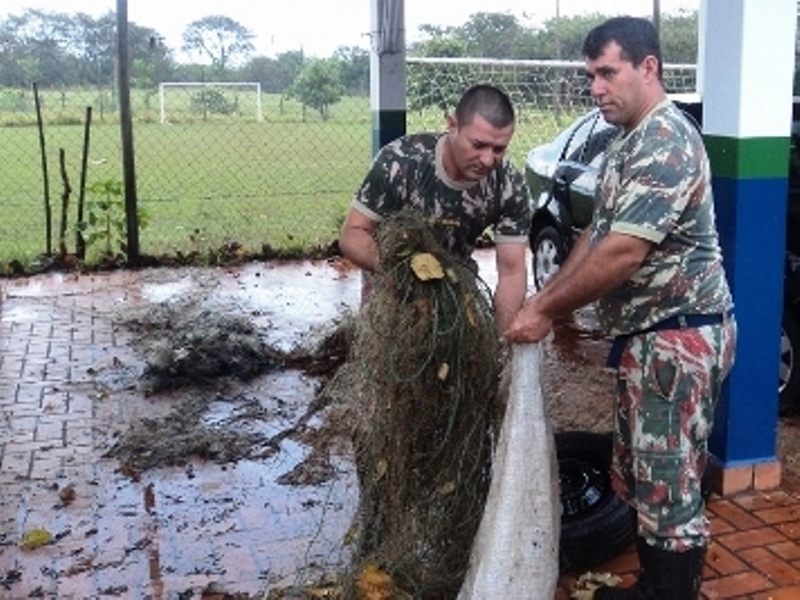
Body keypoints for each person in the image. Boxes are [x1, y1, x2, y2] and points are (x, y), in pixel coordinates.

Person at [506, 16, 736, 600]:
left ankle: (669, 595)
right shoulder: (625, 144)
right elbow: (594, 237)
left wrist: (541, 309)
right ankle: (652, 589)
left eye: (608, 73)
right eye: (591, 76)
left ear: (648, 68)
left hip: (680, 339)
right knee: (645, 474)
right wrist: (553, 304)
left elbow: (625, 253)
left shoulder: (666, 139)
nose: (596, 88)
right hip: (649, 340)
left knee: (668, 488)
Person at [338, 83, 531, 333]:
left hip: (455, 282)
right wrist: (402, 273)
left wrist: (501, 341)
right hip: (390, 278)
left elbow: (512, 272)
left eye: (499, 149)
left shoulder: (509, 185)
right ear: (452, 125)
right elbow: (352, 234)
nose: (487, 160)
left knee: (460, 352)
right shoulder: (400, 161)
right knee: (389, 351)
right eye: (478, 145)